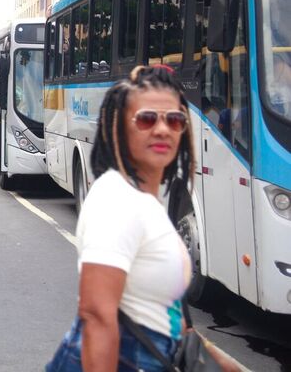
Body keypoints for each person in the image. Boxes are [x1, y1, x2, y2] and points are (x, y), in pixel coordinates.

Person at [46, 65, 238, 372]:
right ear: (120, 128)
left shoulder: (147, 202)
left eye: (174, 120)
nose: (162, 129)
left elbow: (166, 311)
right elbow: (97, 314)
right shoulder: (115, 199)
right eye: (147, 119)